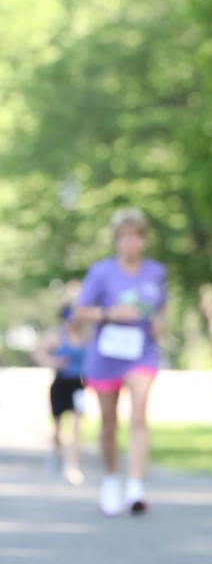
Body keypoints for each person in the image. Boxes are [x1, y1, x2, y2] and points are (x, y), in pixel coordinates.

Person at [74, 209, 167, 517]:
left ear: (143, 239)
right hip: (106, 354)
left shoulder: (155, 272)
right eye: (124, 237)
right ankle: (111, 479)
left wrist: (159, 322)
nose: (130, 242)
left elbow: (161, 307)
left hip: (141, 352)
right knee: (109, 422)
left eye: (135, 236)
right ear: (116, 240)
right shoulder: (101, 272)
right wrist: (109, 314)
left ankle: (136, 485)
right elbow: (80, 311)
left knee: (139, 414)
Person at [33, 297, 88, 485]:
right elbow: (39, 353)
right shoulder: (57, 336)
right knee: (57, 427)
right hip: (60, 384)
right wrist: (53, 362)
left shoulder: (86, 337)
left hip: (78, 385)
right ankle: (56, 451)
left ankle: (71, 465)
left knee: (77, 425)